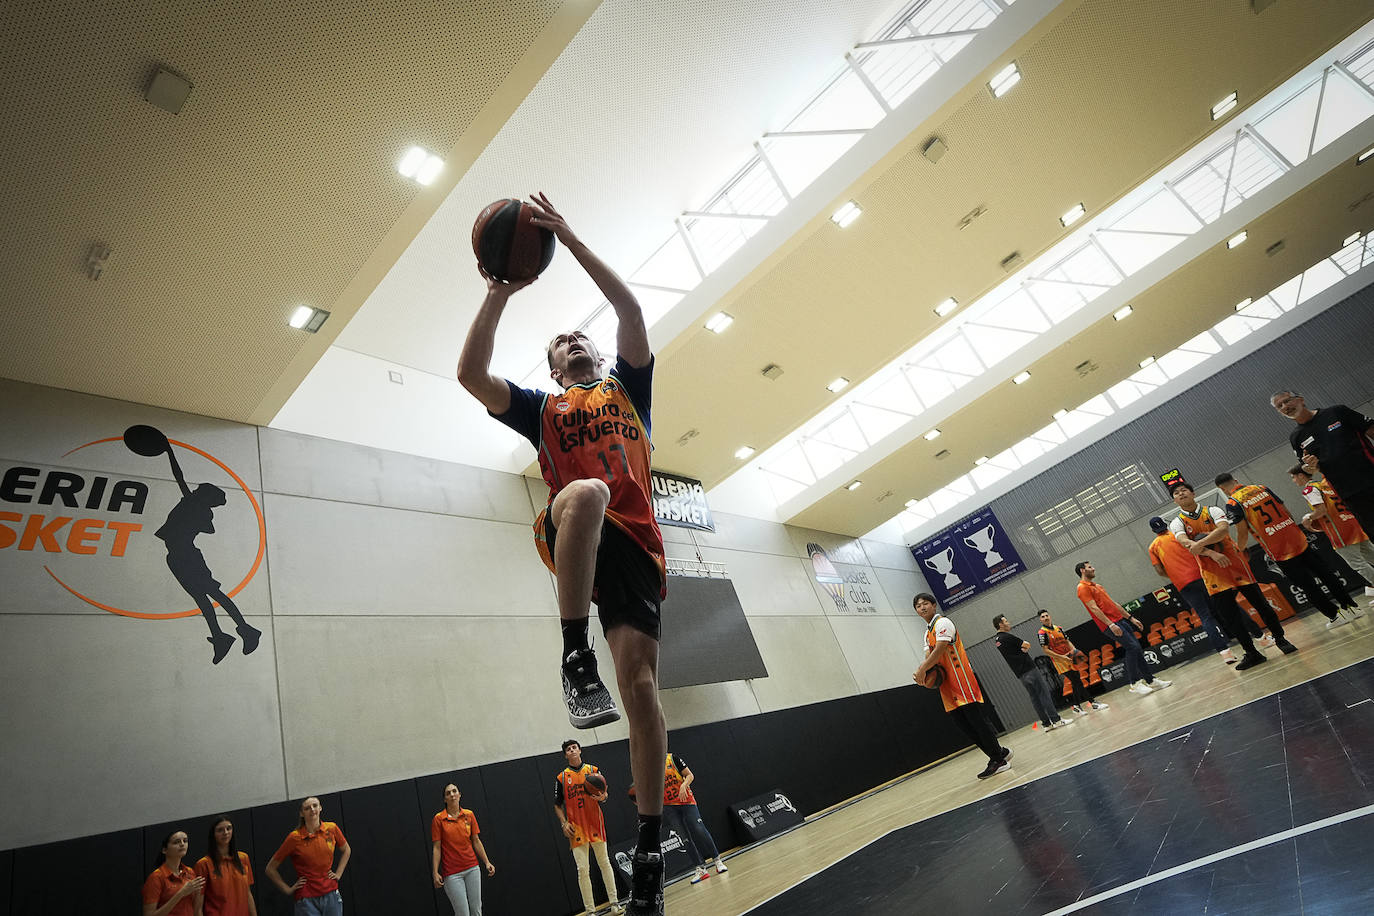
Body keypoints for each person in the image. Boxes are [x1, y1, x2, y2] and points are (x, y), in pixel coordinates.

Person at [458, 194, 666, 914]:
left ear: (599, 354)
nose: (574, 342)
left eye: (581, 337)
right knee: (583, 492)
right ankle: (575, 655)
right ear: (550, 368)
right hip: (571, 527)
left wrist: (570, 239)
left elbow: (631, 311)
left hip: (636, 545)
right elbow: (470, 375)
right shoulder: (541, 410)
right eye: (561, 343)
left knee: (640, 688)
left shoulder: (627, 388)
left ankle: (646, 848)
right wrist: (497, 296)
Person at [1168, 483, 1293, 668]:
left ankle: (1281, 640)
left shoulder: (1213, 510)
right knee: (1230, 617)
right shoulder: (1177, 522)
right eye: (1177, 493)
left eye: (1184, 490)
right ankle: (1252, 653)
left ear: (1193, 493)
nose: (1181, 494)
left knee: (1261, 604)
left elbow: (1223, 531)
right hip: (1212, 571)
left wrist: (1199, 543)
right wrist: (1212, 553)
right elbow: (1185, 543)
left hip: (1235, 563)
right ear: (1174, 500)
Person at [1216, 472, 1362, 626]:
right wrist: (1292, 527)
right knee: (1326, 573)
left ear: (1222, 489)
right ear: (1236, 480)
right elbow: (1284, 509)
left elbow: (1242, 531)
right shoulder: (1262, 488)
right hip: (1297, 539)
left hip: (1279, 549)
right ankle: (1351, 607)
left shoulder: (1233, 503)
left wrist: (1240, 550)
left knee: (1307, 585)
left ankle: (1335, 616)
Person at [911, 593, 1012, 780]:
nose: (922, 607)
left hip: (961, 678)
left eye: (925, 603)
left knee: (977, 722)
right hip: (946, 685)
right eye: (918, 606)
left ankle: (998, 760)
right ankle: (1000, 752)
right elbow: (929, 657)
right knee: (965, 726)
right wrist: (926, 676)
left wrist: (922, 670)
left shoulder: (943, 623)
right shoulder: (927, 633)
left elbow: (941, 647)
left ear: (934, 605)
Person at [1272, 391, 1374, 533]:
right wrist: (1310, 466)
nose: (1285, 406)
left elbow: (1371, 429)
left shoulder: (1336, 412)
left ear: (1301, 400)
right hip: (1349, 493)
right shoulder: (1296, 437)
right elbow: (1309, 469)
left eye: (1287, 401)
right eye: (1279, 406)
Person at [1146, 516, 1237, 664]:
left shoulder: (1153, 547)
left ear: (1153, 531)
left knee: (1205, 617)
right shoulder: (1179, 535)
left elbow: (1159, 571)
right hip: (1202, 575)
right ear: (1166, 525)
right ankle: (1256, 635)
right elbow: (1199, 548)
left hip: (1183, 584)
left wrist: (1176, 575)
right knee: (1226, 604)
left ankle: (1225, 653)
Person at [1075, 562, 1171, 695]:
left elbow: (1113, 604)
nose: (1093, 568)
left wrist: (1130, 618)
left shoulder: (1097, 586)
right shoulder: (1082, 588)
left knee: (1137, 649)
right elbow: (1093, 608)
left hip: (1120, 620)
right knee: (1132, 648)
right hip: (1110, 624)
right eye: (1090, 567)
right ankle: (1134, 683)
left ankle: (1151, 680)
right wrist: (1110, 624)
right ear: (1082, 570)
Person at [554, 740, 624, 916]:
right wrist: (564, 823)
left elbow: (605, 794)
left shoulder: (593, 771)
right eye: (568, 749)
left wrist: (603, 798)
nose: (572, 750)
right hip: (576, 828)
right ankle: (590, 911)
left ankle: (615, 903)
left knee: (604, 862)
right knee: (582, 870)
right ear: (566, 755)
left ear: (580, 750)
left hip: (595, 823)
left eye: (574, 747)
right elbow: (557, 805)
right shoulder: (561, 777)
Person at [1291, 462, 1374, 594]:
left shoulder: (1310, 490)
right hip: (1351, 522)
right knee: (1371, 554)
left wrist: (1309, 518)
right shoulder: (1324, 484)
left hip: (1339, 530)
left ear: (1301, 475)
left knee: (1358, 564)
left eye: (1294, 477)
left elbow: (1321, 510)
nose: (1293, 481)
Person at [265, 797, 350, 916]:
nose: (312, 809)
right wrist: (287, 889)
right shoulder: (294, 837)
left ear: (320, 808)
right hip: (306, 899)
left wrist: (338, 873)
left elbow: (346, 849)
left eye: (315, 805)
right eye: (307, 808)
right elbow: (270, 868)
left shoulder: (332, 828)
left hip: (331, 893)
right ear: (301, 813)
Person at [992, 614, 1070, 730]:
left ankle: (1046, 724)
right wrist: (1024, 648)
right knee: (1044, 694)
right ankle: (1056, 720)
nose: (1009, 623)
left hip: (1020, 674)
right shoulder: (1007, 637)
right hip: (1030, 669)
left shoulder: (997, 641)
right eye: (1006, 621)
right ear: (1000, 624)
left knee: (1035, 698)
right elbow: (1026, 644)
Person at [658, 753, 726, 884]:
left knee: (699, 829)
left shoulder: (672, 759)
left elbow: (690, 775)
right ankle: (700, 868)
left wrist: (683, 785)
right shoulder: (650, 768)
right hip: (669, 806)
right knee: (685, 839)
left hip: (686, 801)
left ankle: (717, 860)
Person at [431, 784, 495, 916]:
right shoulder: (438, 819)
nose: (452, 795)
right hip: (452, 874)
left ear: (460, 794)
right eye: (448, 793)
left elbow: (476, 840)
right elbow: (437, 848)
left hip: (472, 868)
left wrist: (487, 862)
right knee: (462, 913)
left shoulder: (469, 815)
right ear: (445, 799)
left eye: (454, 791)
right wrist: (435, 872)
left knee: (476, 910)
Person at [1036, 609, 1107, 713]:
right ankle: (1093, 702)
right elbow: (1046, 650)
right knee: (1077, 681)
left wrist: (1074, 651)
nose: (1045, 618)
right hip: (1060, 661)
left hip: (1070, 657)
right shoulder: (1042, 633)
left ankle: (1076, 705)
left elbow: (1067, 641)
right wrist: (1061, 657)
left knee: (1076, 682)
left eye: (1047, 615)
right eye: (1043, 617)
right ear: (1040, 620)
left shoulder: (1058, 628)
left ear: (1050, 616)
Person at [193, 815, 256, 916]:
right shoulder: (203, 865)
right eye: (220, 830)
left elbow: (248, 894)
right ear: (213, 834)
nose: (225, 833)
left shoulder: (243, 858)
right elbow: (198, 907)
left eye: (228, 828)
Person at [143, 829, 204, 916]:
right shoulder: (156, 877)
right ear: (164, 850)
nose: (182, 844)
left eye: (185, 841)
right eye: (176, 842)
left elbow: (196, 910)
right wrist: (180, 894)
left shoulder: (190, 872)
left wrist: (197, 894)